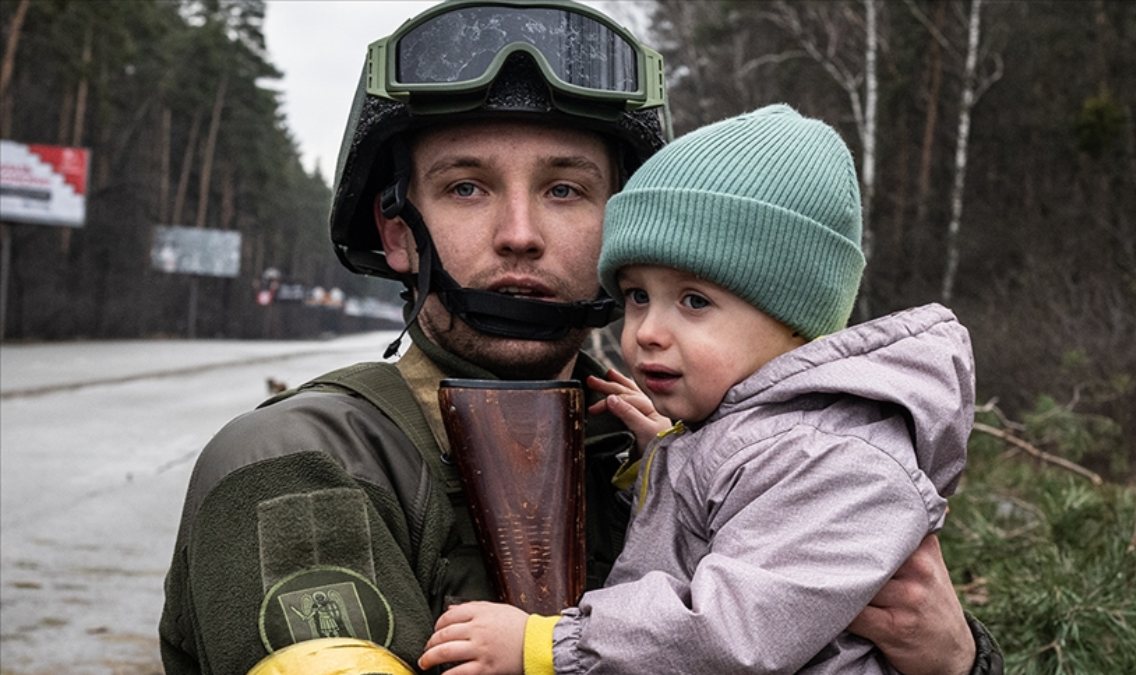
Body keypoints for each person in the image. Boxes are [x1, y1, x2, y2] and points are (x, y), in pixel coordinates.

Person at [158, 2, 999, 673]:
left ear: (623, 227)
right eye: (466, 188)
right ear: (398, 230)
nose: (520, 232)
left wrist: (957, 661)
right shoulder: (298, 463)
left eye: (565, 190)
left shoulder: (718, 441)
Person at [416, 103, 979, 674]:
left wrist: (546, 647)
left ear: (795, 321)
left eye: (694, 301)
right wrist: (668, 454)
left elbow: (732, 632)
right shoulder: (757, 437)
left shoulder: (832, 457)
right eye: (638, 296)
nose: (648, 333)